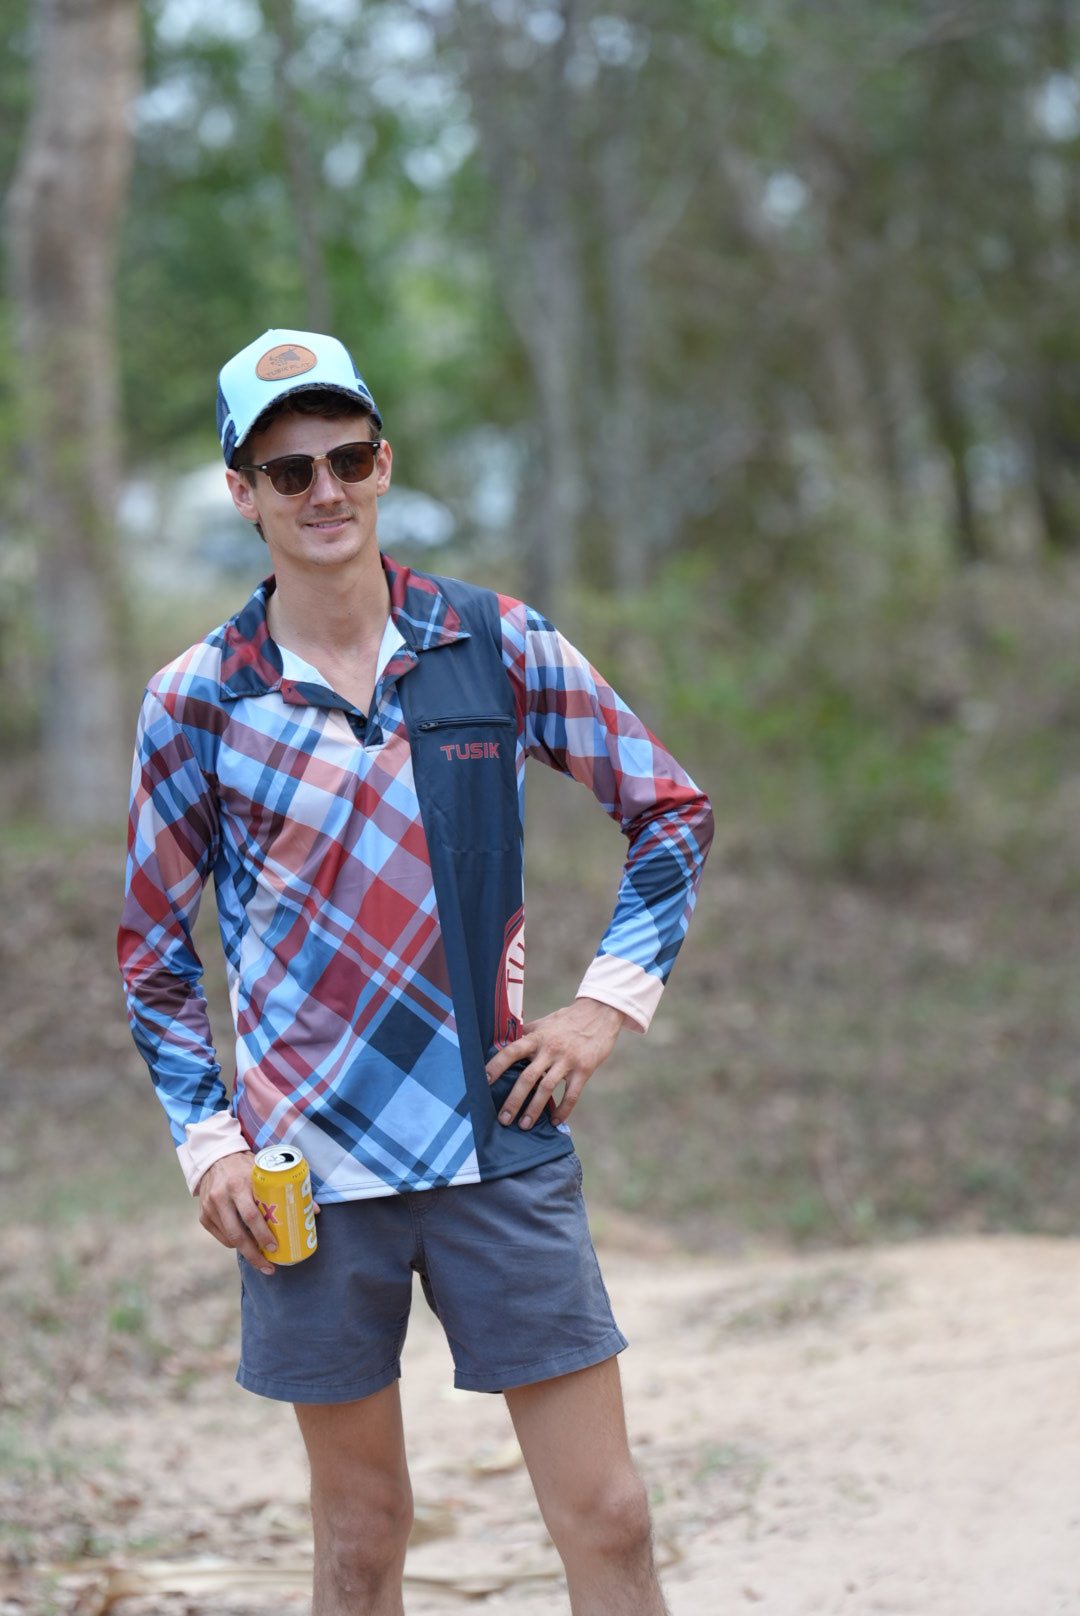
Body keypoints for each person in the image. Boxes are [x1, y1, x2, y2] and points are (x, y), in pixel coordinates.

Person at [118, 327, 713, 1616]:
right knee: (362, 1539)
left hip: (501, 1138)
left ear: (383, 464)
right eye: (287, 471)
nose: (322, 490)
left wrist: (606, 1006)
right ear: (243, 493)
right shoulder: (197, 702)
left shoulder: (491, 642)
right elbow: (154, 952)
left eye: (345, 458)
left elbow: (669, 812)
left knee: (610, 1518)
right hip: (306, 1184)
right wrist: (206, 1142)